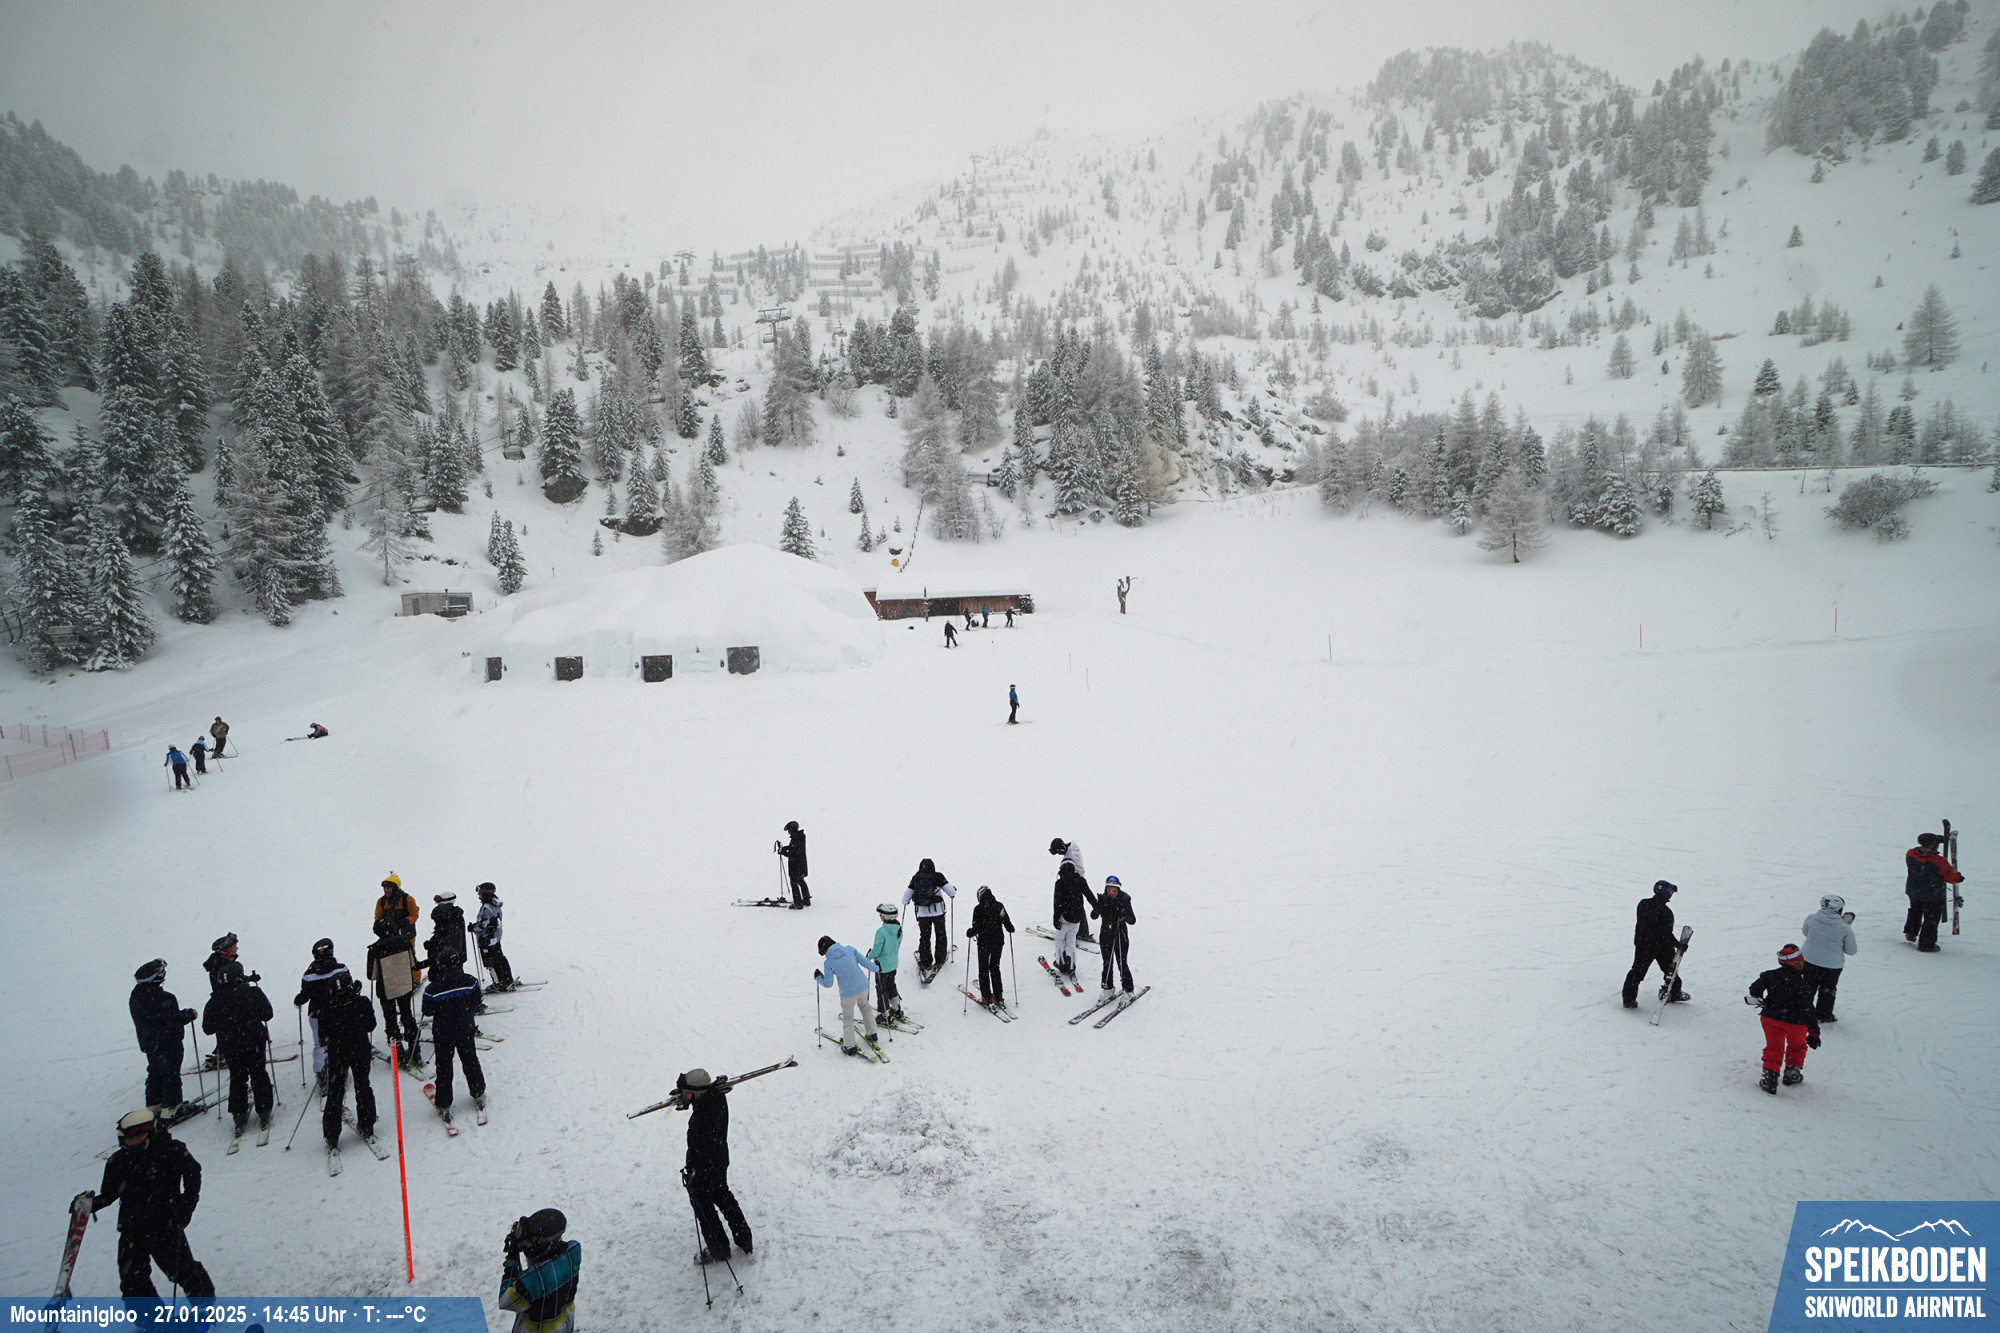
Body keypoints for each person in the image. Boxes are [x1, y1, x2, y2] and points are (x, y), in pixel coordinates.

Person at [91, 1108, 215, 1298]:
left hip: (165, 1224)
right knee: (132, 1280)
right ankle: (148, 1315)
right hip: (132, 1227)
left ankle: (203, 1303)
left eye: (139, 1134)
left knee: (180, 1269)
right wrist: (90, 1204)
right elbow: (110, 1194)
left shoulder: (171, 1150)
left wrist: (187, 1206)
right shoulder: (118, 1161)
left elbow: (193, 1172)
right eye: (129, 1136)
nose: (134, 1140)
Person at [679, 1069, 754, 1263]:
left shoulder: (702, 1118)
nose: (685, 1096)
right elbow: (706, 1094)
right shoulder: (716, 1098)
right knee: (722, 1195)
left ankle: (719, 1250)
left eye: (688, 1093)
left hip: (704, 1166)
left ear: (698, 1092)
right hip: (719, 1159)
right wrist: (688, 1096)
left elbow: (698, 1148)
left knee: (703, 1206)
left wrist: (692, 1172)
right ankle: (744, 1239)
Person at [202, 962, 274, 1138]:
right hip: (254, 1041)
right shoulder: (252, 993)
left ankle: (239, 1113)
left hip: (230, 1046)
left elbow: (208, 1028)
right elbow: (267, 1015)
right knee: (258, 1073)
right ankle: (264, 1109)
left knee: (237, 1077)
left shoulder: (214, 1000)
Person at [1748, 944, 1822, 1094]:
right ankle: (1792, 1072)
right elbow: (1808, 1009)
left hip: (1771, 1018)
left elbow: (1754, 989)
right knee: (1797, 1046)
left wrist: (1761, 998)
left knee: (1773, 1047)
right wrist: (1814, 1031)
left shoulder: (1769, 976)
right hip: (1796, 1022)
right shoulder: (1803, 985)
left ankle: (1770, 1076)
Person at [129, 959, 196, 1116]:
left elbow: (156, 1016)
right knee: (170, 1074)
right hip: (168, 1042)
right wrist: (187, 1016)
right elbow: (172, 1020)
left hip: (149, 1042)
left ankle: (154, 1104)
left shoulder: (136, 995)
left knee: (155, 1072)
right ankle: (172, 1108)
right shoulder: (165, 998)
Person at [319, 976, 378, 1150]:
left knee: (335, 1091)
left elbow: (323, 1037)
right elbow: (370, 1025)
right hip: (360, 1049)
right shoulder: (361, 1002)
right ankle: (367, 1124)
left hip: (338, 1053)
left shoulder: (327, 1007)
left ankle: (332, 1134)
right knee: (362, 1085)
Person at [421, 960, 486, 1120]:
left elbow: (427, 1011)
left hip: (443, 1033)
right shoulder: (470, 981)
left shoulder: (432, 989)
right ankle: (478, 1091)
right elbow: (476, 1001)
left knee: (444, 1068)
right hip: (465, 1029)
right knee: (470, 1061)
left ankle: (443, 1103)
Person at [499, 1208, 582, 1333]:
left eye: (529, 1241)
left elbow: (505, 1300)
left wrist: (512, 1259)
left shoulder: (533, 1281)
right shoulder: (574, 1251)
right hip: (565, 1325)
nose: (524, 1243)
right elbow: (545, 1260)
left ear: (542, 1245)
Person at [367, 900, 424, 1069]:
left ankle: (398, 1052)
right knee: (408, 1017)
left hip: (387, 990)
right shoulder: (405, 942)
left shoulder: (375, 949)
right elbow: (412, 963)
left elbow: (371, 975)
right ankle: (415, 1051)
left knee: (391, 1021)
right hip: (405, 986)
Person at [1620, 880, 1689, 1009]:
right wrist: (1678, 945)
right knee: (1670, 971)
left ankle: (1628, 998)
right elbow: (1665, 933)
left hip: (1643, 944)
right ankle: (1673, 993)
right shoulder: (1666, 912)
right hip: (1661, 947)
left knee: (1637, 971)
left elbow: (1647, 925)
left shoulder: (1643, 904)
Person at [293, 938, 351, 1087]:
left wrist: (299, 1000)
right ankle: (341, 1069)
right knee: (341, 1040)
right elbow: (348, 987)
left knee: (319, 1044)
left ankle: (321, 1073)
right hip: (339, 1011)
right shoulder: (341, 969)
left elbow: (305, 995)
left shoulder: (309, 975)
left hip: (317, 1015)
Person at [815, 935, 880, 1054]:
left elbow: (828, 984)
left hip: (847, 993)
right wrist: (876, 968)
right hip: (862, 985)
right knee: (865, 1008)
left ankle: (849, 1046)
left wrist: (819, 977)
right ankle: (872, 1033)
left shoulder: (828, 963)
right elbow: (865, 962)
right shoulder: (850, 949)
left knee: (848, 1018)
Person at [1800, 895, 1858, 1022]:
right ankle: (1823, 1015)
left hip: (1809, 959)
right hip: (1832, 965)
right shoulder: (1844, 928)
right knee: (1828, 990)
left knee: (1807, 987)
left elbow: (1806, 932)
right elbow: (1851, 951)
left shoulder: (1811, 918)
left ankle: (1803, 1011)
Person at [1904, 832, 1961, 952]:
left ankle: (1911, 932)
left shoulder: (1911, 854)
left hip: (1914, 890)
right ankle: (1926, 944)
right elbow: (1949, 876)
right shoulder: (1938, 861)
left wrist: (1939, 839)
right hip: (1932, 896)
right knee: (1931, 919)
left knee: (1915, 911)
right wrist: (1958, 877)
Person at [902, 858, 956, 978]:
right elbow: (951, 892)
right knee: (940, 935)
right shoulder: (938, 876)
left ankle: (925, 961)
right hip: (938, 912)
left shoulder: (916, 877)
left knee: (925, 937)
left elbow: (905, 898)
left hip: (922, 914)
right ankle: (940, 958)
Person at [967, 886, 1016, 1008]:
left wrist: (970, 932)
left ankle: (987, 997)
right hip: (997, 941)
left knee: (983, 969)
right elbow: (1007, 922)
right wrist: (1010, 928)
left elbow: (976, 927)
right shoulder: (999, 906)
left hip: (984, 943)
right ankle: (998, 995)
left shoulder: (978, 909)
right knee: (995, 967)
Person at [1093, 875, 1138, 1005]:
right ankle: (1108, 987)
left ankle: (1128, 990)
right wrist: (1098, 907)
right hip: (1106, 934)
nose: (1111, 893)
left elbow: (1132, 920)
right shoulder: (1103, 899)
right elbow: (1093, 915)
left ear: (1118, 890)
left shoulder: (1124, 900)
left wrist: (1124, 916)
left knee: (1122, 962)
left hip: (1120, 935)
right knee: (1107, 962)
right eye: (1109, 890)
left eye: (1114, 890)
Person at [1050, 859, 1096, 981]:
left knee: (1060, 939)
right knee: (1071, 940)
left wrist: (1055, 918)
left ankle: (1061, 963)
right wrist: (1097, 907)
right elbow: (1089, 895)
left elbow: (1057, 902)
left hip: (1064, 917)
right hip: (1077, 917)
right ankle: (1071, 965)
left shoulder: (1060, 883)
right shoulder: (1080, 880)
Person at [473, 882, 516, 991]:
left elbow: (483, 924)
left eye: (480, 893)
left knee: (491, 962)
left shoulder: (487, 907)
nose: (478, 895)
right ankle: (507, 979)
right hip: (495, 938)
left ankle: (499, 983)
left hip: (487, 939)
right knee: (499, 958)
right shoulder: (495, 904)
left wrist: (473, 927)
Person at [1049, 838, 1093, 942]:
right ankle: (1080, 931)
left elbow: (1080, 869)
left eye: (1059, 852)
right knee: (1075, 905)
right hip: (1072, 882)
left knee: (1077, 906)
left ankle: (1083, 932)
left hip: (1075, 883)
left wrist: (1073, 879)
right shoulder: (1070, 852)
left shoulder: (1072, 854)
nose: (1059, 854)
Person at [867, 903, 905, 1020]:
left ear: (885, 916)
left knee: (881, 990)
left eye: (881, 915)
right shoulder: (899, 929)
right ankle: (896, 1008)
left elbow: (877, 950)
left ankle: (885, 1014)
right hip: (893, 965)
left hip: (882, 966)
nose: (880, 916)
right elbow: (897, 946)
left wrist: (869, 956)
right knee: (891, 986)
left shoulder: (881, 931)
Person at [427, 892, 470, 972]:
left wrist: (433, 944)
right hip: (451, 957)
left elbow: (450, 938)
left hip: (450, 959)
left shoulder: (452, 918)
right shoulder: (453, 916)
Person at [780, 820, 810, 909]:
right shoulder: (798, 837)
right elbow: (793, 848)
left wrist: (783, 852)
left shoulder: (796, 838)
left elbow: (794, 853)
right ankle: (806, 900)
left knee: (794, 883)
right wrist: (785, 848)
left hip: (796, 866)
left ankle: (798, 903)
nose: (788, 832)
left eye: (789, 830)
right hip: (800, 865)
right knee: (801, 881)